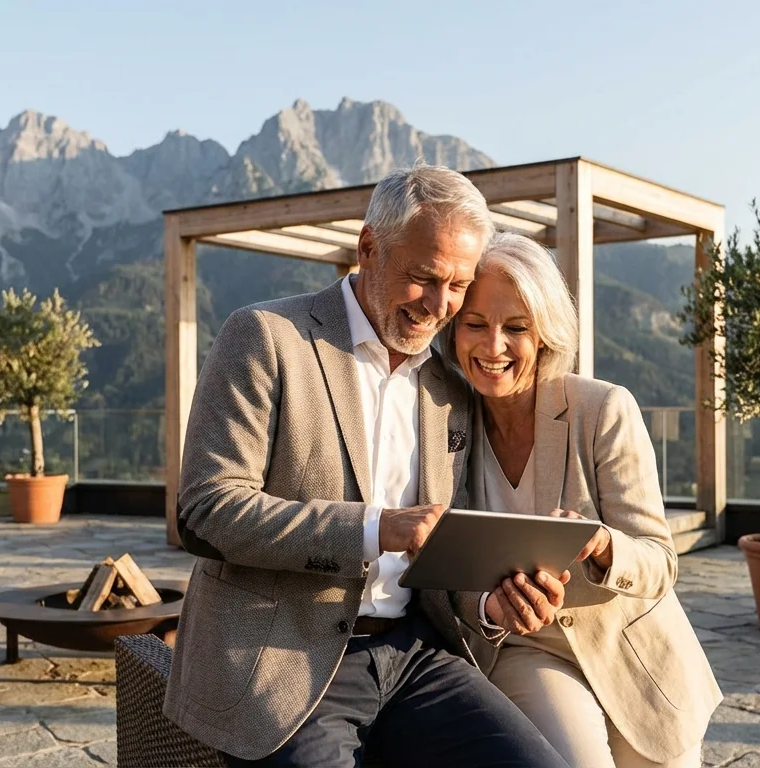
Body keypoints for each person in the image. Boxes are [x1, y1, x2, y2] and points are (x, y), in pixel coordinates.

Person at [165, 164, 569, 768]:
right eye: (423, 278)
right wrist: (377, 528)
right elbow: (206, 510)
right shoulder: (265, 337)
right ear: (368, 248)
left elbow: (437, 555)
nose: (439, 307)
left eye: (457, 286)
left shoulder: (447, 389)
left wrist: (491, 605)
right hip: (284, 665)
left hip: (415, 658)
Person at [452, 231, 723, 768]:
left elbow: (659, 561)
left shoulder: (603, 410)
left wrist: (602, 545)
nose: (493, 346)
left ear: (546, 333)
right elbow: (440, 568)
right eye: (475, 324)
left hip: (632, 652)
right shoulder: (443, 424)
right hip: (524, 648)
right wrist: (484, 607)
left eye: (517, 328)